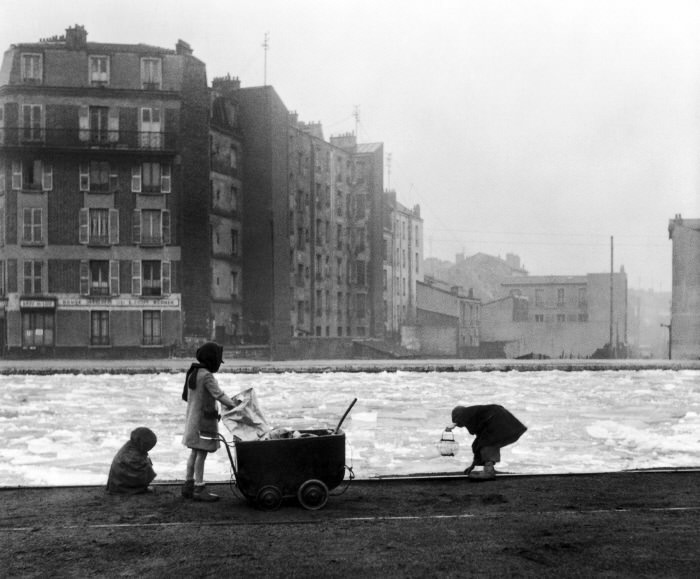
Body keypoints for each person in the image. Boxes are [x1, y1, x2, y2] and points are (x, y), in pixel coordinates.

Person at [181, 341, 237, 502]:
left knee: (193, 453)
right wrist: (234, 404)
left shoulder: (193, 372)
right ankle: (199, 487)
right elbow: (218, 394)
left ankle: (188, 485)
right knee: (201, 454)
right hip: (203, 423)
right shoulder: (206, 376)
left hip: (192, 421)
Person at [448, 404, 527, 481]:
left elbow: (478, 439)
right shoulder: (473, 413)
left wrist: (473, 464)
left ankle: (489, 471)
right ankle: (489, 468)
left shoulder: (465, 414)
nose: (459, 424)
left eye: (457, 422)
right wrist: (472, 466)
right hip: (501, 417)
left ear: (458, 416)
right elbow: (478, 442)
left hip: (495, 418)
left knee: (487, 443)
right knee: (488, 442)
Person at [106, 426, 157, 494]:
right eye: (149, 447)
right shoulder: (134, 456)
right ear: (143, 444)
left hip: (115, 485)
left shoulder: (129, 445)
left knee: (146, 462)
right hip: (122, 485)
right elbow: (144, 469)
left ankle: (128, 488)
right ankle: (138, 489)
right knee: (147, 465)